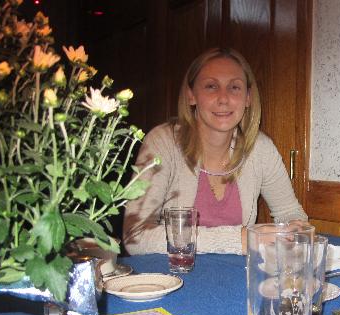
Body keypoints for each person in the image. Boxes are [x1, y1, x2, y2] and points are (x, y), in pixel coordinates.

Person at [123, 47, 307, 255]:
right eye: (211, 86)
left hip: (238, 273)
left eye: (234, 87)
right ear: (191, 95)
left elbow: (291, 213)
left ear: (248, 97)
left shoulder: (260, 148)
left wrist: (295, 231)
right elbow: (135, 236)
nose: (223, 98)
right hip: (174, 272)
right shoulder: (162, 142)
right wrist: (240, 239)